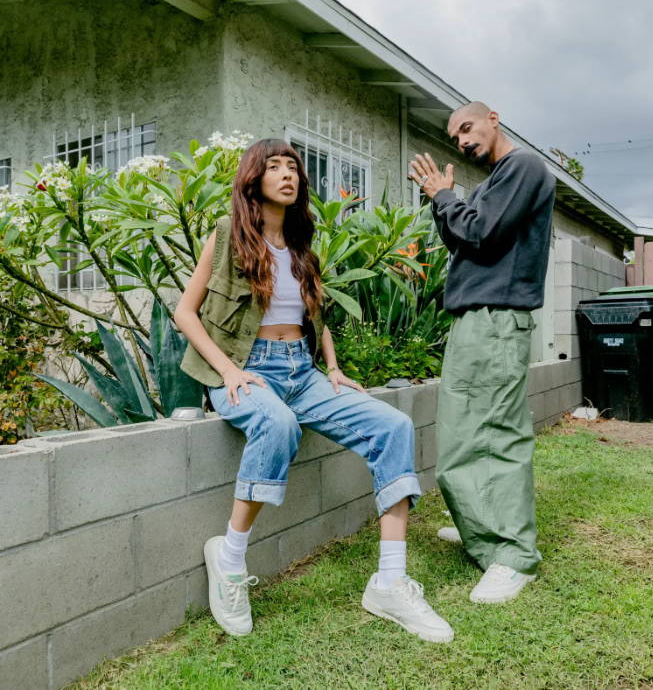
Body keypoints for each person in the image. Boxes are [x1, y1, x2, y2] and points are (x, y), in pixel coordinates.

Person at [175, 138, 453, 643]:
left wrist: (333, 367)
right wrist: (229, 373)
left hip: (302, 373)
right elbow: (184, 313)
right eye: (274, 166)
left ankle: (390, 582)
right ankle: (230, 560)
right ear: (253, 178)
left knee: (394, 425)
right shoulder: (227, 235)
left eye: (293, 168)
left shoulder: (302, 247)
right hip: (247, 369)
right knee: (277, 423)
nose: (287, 174)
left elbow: (314, 317)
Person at [408, 102, 555, 604]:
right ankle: (482, 529)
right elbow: (462, 239)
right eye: (455, 138)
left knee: (496, 433)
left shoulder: (524, 167)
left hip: (495, 319)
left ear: (494, 117)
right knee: (464, 431)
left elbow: (482, 234)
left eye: (466, 128)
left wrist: (446, 194)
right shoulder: (495, 181)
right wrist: (440, 200)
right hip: (475, 321)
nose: (462, 141)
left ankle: (513, 555)